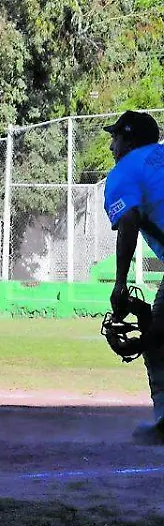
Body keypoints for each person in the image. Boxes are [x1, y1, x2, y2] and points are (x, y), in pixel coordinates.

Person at [102, 110, 164, 443]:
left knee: (158, 340)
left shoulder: (124, 170)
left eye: (115, 137)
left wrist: (120, 283)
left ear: (129, 141)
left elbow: (129, 222)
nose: (112, 145)